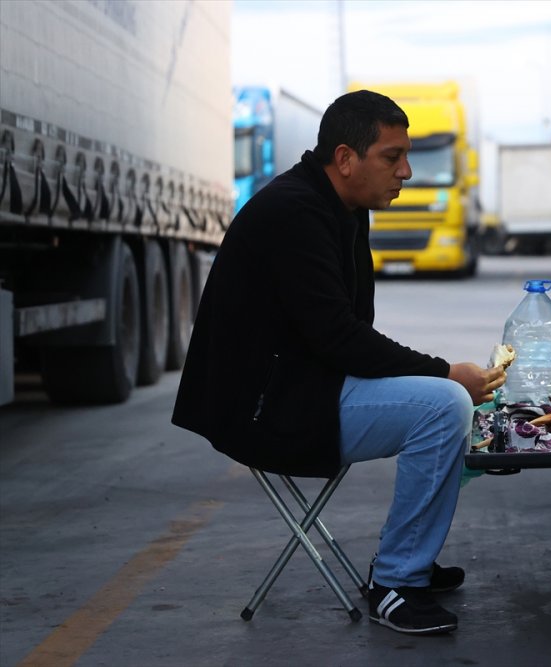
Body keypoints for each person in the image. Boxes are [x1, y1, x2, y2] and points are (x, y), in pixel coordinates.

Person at [171, 90, 505, 635]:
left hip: (306, 385)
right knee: (444, 405)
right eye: (392, 157)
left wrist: (435, 374)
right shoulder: (294, 212)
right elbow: (341, 337)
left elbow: (348, 332)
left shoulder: (340, 207)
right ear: (346, 158)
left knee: (448, 401)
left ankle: (410, 558)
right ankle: (396, 584)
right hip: (265, 410)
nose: (406, 172)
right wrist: (445, 372)